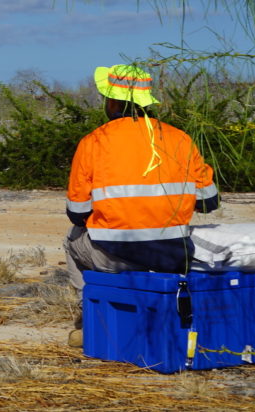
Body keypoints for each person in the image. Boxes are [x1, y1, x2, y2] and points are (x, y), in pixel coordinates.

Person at [63, 64, 219, 345]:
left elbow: (77, 213)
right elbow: (209, 202)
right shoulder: (180, 138)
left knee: (71, 240)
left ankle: (89, 320)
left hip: (113, 253)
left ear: (112, 101)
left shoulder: (93, 142)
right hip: (172, 254)